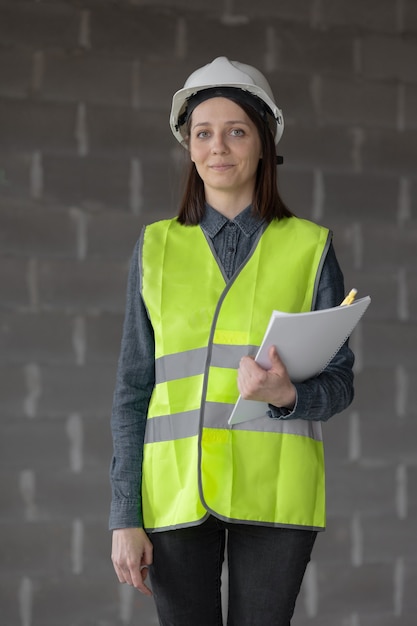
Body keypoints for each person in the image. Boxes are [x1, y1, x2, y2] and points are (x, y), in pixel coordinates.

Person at [109, 56, 355, 626]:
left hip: (275, 491)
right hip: (174, 493)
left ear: (264, 145)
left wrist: (288, 396)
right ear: (189, 148)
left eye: (236, 131)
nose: (217, 147)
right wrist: (125, 515)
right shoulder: (155, 249)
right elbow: (132, 389)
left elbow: (339, 383)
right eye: (203, 133)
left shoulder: (310, 248)